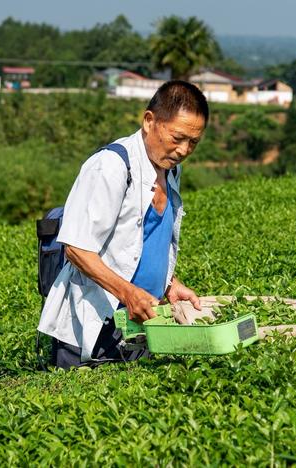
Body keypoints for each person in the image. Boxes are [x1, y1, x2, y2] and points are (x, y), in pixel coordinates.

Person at [37, 80, 208, 369]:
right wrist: (128, 293)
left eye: (193, 142)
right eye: (177, 138)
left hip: (139, 326)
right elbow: (76, 248)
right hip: (94, 325)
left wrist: (169, 285)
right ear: (149, 121)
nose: (183, 150)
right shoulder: (112, 166)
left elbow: (142, 243)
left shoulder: (170, 169)